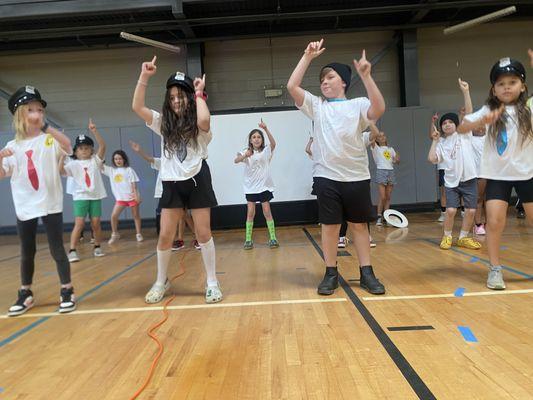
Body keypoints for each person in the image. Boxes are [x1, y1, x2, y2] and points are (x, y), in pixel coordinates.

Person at [287, 39, 386, 295]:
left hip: (356, 177)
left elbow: (379, 108)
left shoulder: (358, 105)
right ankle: (330, 272)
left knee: (358, 226)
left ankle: (367, 272)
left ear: (343, 81)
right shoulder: (317, 106)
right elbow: (292, 86)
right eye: (321, 79)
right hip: (326, 177)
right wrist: (307, 57)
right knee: (330, 227)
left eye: (329, 77)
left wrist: (366, 76)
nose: (324, 82)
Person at [1, 86, 76, 316]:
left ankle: (67, 289)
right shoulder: (12, 147)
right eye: (30, 110)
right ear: (19, 115)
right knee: (27, 250)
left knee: (56, 248)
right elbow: (2, 173)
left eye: (40, 110)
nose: (36, 113)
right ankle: (26, 292)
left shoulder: (49, 139)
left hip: (49, 203)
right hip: (25, 206)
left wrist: (46, 127)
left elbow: (68, 146)